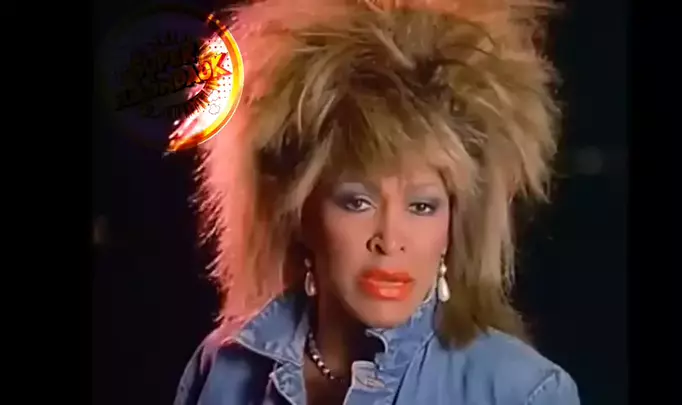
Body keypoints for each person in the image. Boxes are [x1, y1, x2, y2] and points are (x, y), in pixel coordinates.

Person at [175, 0, 580, 404]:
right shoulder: (223, 367)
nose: (389, 240)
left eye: (422, 206)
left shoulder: (522, 391)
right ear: (301, 213)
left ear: (454, 227)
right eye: (357, 202)